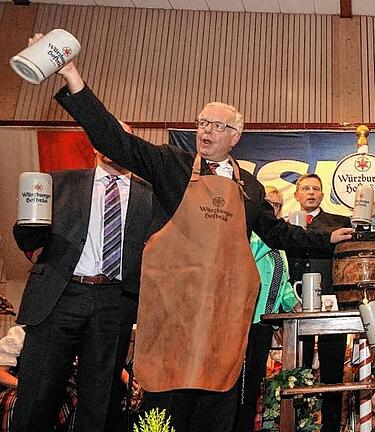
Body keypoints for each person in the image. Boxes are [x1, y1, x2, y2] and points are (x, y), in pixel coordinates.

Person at [48, 44, 353, 431]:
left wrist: (327, 240)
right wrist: (75, 81)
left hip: (223, 316)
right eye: (202, 123)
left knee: (217, 405)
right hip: (173, 310)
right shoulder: (169, 163)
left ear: (236, 135)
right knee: (165, 405)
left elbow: (276, 232)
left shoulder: (252, 189)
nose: (206, 130)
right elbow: (115, 140)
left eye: (217, 125)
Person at [11, 145, 154, 432]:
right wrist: (29, 226)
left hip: (115, 302)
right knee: (37, 393)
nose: (113, 141)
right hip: (59, 297)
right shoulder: (58, 182)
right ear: (95, 144)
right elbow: (28, 239)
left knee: (100, 402)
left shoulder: (150, 196)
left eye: (122, 137)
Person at [286, 173, 352, 432]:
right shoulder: (285, 225)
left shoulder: (338, 223)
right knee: (296, 371)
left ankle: (332, 427)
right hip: (295, 309)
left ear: (322, 195)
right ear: (297, 195)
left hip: (331, 308)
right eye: (305, 188)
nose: (311, 193)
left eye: (316, 189)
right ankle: (298, 424)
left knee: (332, 371)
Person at [234, 186, 298, 432]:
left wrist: (297, 308)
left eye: (277, 205)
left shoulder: (279, 246)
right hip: (242, 323)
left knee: (252, 387)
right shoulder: (247, 235)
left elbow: (283, 286)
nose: (272, 209)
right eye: (267, 204)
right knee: (236, 388)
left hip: (263, 325)